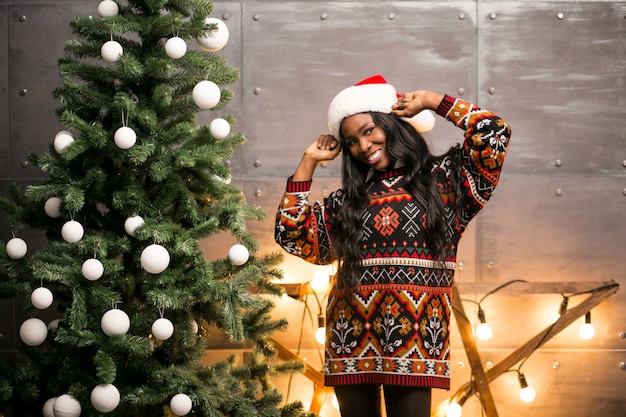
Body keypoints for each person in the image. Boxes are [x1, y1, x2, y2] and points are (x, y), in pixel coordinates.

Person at [274, 74, 511, 417]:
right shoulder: (349, 202)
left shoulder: (445, 182)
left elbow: (494, 133)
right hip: (349, 339)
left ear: (392, 123)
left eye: (369, 130)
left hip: (415, 342)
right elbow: (292, 234)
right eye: (352, 141)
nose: (363, 146)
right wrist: (308, 162)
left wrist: (431, 100)